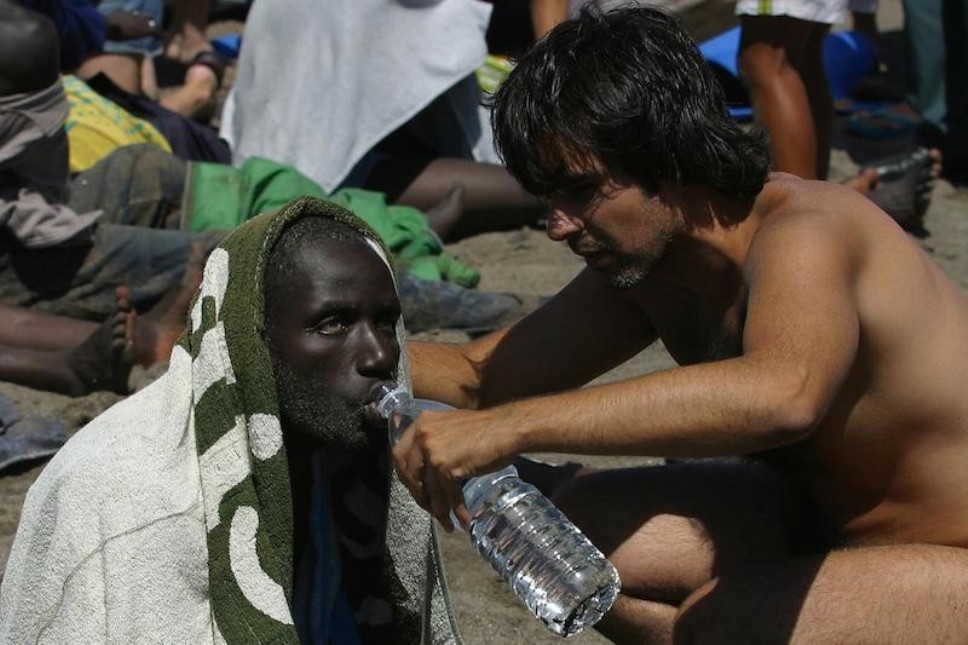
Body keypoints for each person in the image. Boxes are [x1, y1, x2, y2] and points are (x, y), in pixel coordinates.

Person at [391, 7, 968, 642]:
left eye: (580, 191)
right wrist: (330, 350)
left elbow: (784, 393)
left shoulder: (806, 231)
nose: (558, 225)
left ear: (668, 158)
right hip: (815, 523)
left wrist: (509, 428)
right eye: (546, 196)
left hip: (953, 551)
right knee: (559, 535)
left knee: (719, 622)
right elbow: (479, 376)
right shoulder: (652, 264)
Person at [0, 197, 462, 643]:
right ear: (253, 342)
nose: (380, 355)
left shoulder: (341, 465)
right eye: (332, 324)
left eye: (385, 322)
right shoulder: (137, 498)